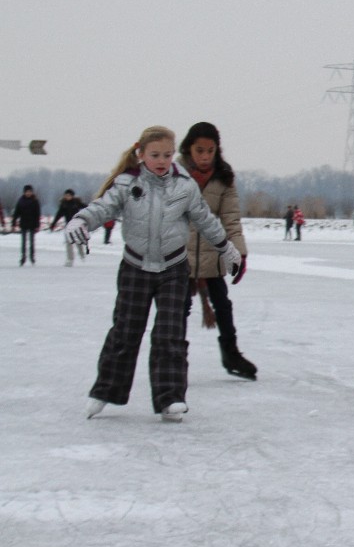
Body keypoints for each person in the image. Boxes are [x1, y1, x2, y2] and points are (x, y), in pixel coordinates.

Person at [64, 125, 241, 421]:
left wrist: (226, 248)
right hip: (135, 267)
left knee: (170, 334)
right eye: (155, 155)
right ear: (141, 154)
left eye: (167, 155)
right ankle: (104, 391)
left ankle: (170, 398)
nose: (162, 161)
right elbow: (103, 208)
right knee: (125, 332)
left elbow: (205, 219)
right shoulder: (127, 183)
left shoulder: (184, 186)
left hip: (174, 269)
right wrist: (81, 220)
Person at [178, 122, 255, 380]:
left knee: (222, 304)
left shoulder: (224, 177)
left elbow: (231, 219)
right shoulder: (174, 174)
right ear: (189, 149)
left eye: (210, 151)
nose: (205, 156)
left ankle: (231, 353)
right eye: (199, 150)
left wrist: (239, 253)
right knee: (178, 308)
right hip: (180, 256)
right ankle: (174, 358)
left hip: (211, 255)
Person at [48, 189, 89, 266]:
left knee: (78, 241)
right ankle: (70, 259)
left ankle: (81, 254)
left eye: (69, 195)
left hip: (77, 225)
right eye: (66, 195)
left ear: (72, 196)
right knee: (68, 243)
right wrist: (53, 224)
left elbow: (86, 207)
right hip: (68, 226)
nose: (67, 197)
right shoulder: (63, 205)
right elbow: (58, 215)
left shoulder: (76, 203)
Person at [11, 185, 42, 266]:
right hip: (24, 223)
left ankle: (32, 256)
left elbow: (37, 214)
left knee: (32, 242)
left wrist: (37, 224)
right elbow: (17, 212)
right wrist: (13, 222)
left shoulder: (35, 201)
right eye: (27, 192)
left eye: (30, 192)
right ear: (24, 192)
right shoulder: (21, 201)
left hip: (32, 224)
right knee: (23, 242)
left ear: (32, 192)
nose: (28, 193)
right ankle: (23, 257)